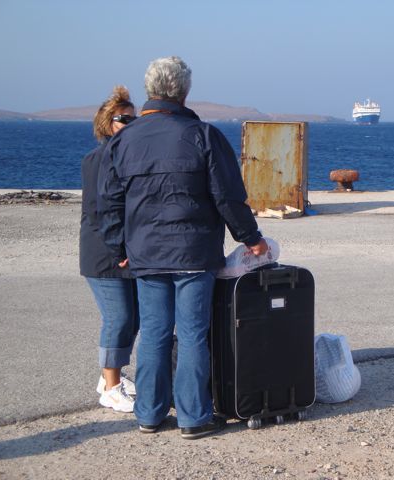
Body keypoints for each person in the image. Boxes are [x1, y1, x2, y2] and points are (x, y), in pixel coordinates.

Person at [97, 56, 268, 439]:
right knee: (192, 334)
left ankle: (150, 414)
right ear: (184, 91)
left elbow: (107, 202)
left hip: (144, 251)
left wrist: (117, 246)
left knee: (155, 333)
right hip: (194, 251)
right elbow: (228, 195)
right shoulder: (203, 135)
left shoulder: (124, 140)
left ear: (149, 91)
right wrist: (251, 238)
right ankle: (193, 417)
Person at [80, 86, 139, 413]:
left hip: (125, 250)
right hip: (104, 252)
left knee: (136, 317)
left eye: (134, 119)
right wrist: (118, 248)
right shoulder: (100, 158)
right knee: (120, 316)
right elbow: (100, 209)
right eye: (123, 119)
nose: (130, 124)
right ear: (107, 123)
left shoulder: (128, 155)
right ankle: (111, 386)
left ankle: (110, 377)